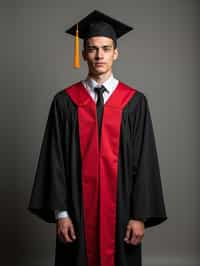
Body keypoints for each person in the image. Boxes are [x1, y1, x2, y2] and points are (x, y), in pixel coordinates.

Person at [28, 9, 167, 266]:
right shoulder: (64, 102)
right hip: (77, 213)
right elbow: (55, 161)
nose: (99, 55)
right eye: (92, 48)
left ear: (116, 53)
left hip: (122, 213)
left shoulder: (135, 103)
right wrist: (61, 213)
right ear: (83, 54)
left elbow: (145, 163)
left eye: (105, 48)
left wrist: (139, 217)